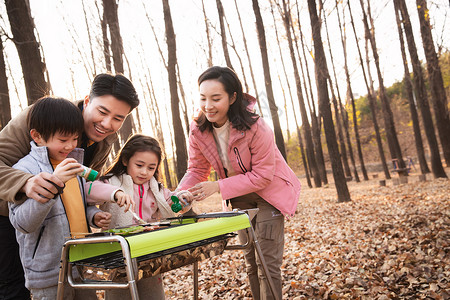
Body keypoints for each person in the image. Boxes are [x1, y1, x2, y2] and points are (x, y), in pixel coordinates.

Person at [0, 73, 139, 299]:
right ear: (87, 101)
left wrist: (92, 213)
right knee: (13, 288)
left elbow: (80, 191)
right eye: (102, 112)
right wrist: (25, 183)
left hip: (57, 236)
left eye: (118, 118)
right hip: (8, 216)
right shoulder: (41, 117)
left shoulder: (103, 141)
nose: (107, 123)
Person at [177, 66, 301, 300]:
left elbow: (264, 175)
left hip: (268, 197)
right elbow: (197, 169)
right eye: (203, 98)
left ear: (233, 97)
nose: (208, 105)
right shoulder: (198, 130)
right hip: (238, 200)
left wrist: (218, 187)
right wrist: (179, 192)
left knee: (267, 266)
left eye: (216, 98)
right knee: (250, 264)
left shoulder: (256, 127)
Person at [97, 134, 193, 300]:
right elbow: (90, 192)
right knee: (119, 294)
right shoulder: (110, 182)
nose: (144, 172)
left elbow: (171, 201)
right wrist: (113, 194)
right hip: (119, 253)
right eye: (139, 165)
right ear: (125, 160)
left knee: (152, 293)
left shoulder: (156, 188)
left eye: (151, 168)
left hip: (149, 251)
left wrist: (184, 198)